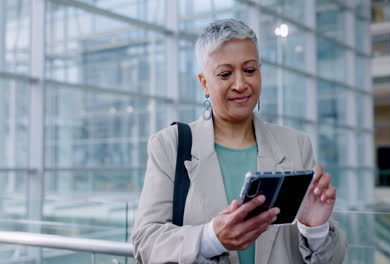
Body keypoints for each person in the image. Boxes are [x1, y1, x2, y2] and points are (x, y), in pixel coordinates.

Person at [131, 19, 347, 264]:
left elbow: (333, 258)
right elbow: (146, 242)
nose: (240, 84)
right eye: (225, 74)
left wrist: (315, 229)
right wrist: (212, 238)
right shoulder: (169, 145)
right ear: (204, 84)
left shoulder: (296, 145)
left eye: (249, 70)